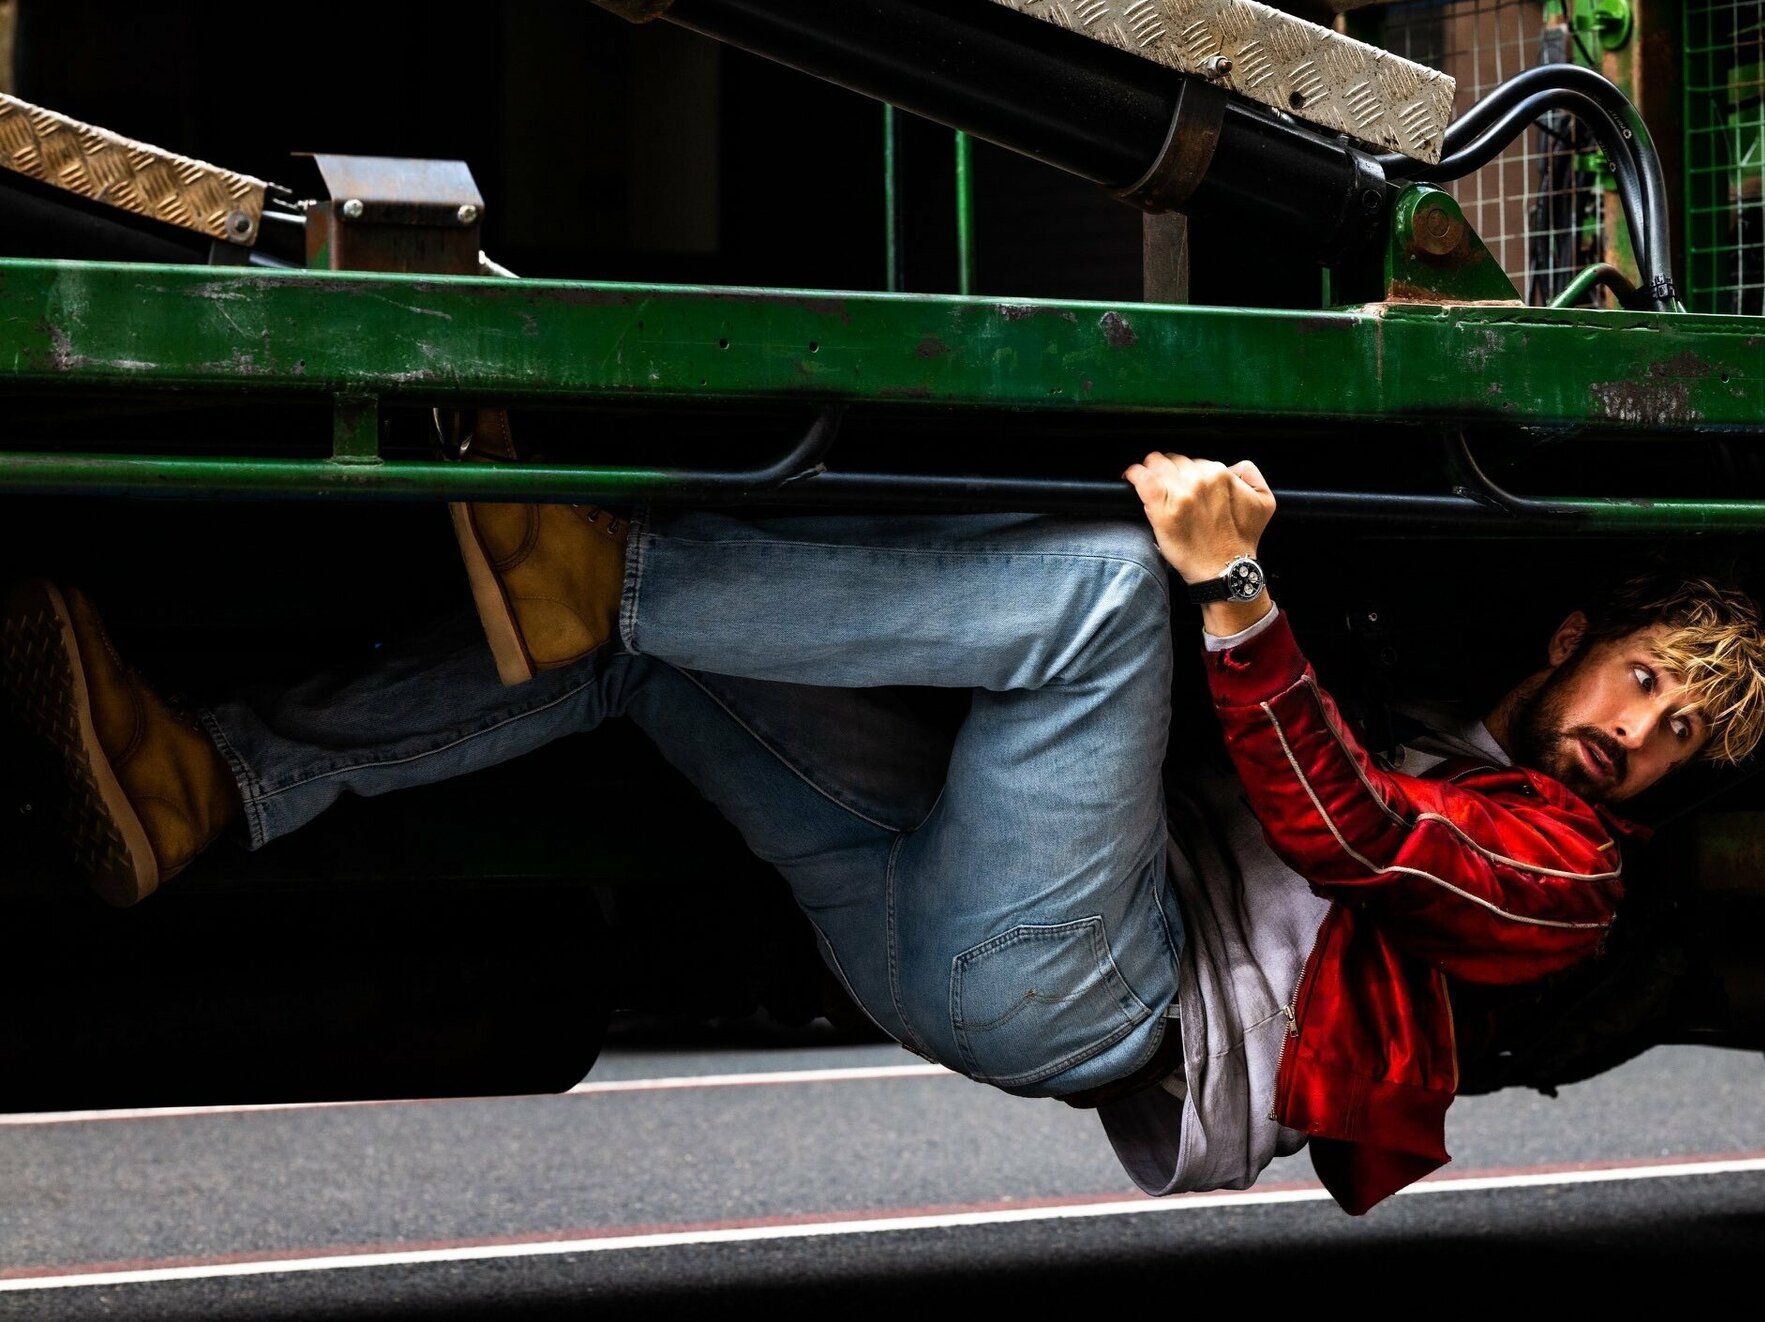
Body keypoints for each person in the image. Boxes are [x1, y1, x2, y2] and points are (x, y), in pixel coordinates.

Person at [6, 419, 1763, 1214]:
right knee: (652, 663)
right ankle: (214, 782)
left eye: (1679, 734)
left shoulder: (1566, 877)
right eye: (1639, 680)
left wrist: (1232, 592)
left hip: (1095, 990)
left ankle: (612, 568)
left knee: (1106, 589)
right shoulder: (1439, 719)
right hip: (949, 928)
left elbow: (1355, 836)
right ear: (1570, 639)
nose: (1637, 733)